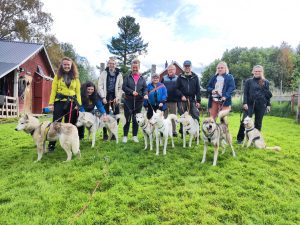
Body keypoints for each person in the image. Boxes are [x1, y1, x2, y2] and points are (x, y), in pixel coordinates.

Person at [48, 57, 82, 152]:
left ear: (71, 66)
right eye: (65, 64)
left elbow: (78, 92)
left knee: (70, 124)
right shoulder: (57, 77)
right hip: (59, 102)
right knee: (56, 123)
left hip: (71, 103)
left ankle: (68, 143)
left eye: (68, 65)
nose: (67, 66)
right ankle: (51, 144)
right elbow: (53, 90)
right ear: (62, 66)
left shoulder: (75, 78)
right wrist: (51, 103)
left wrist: (78, 105)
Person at [236, 65, 272, 144]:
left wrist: (268, 105)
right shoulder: (249, 81)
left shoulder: (266, 82)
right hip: (249, 104)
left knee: (258, 122)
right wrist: (245, 103)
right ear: (253, 71)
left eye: (259, 71)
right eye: (255, 71)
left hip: (261, 104)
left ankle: (255, 139)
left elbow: (267, 95)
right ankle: (240, 139)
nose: (257, 72)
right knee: (245, 121)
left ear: (262, 72)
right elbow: (245, 93)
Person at [122, 59, 148, 143]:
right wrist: (131, 91)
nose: (135, 69)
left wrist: (145, 94)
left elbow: (145, 88)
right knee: (127, 118)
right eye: (133, 67)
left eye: (136, 67)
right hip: (128, 101)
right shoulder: (127, 77)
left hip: (138, 101)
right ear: (131, 67)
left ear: (139, 67)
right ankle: (125, 136)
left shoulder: (142, 79)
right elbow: (124, 87)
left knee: (136, 119)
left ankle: (134, 136)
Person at [98, 58, 123, 140]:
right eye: (110, 63)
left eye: (113, 63)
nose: (111, 65)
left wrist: (118, 97)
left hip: (115, 97)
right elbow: (100, 86)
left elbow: (120, 87)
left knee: (117, 115)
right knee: (105, 115)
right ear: (108, 64)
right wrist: (103, 97)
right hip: (106, 96)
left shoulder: (119, 75)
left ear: (115, 65)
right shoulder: (103, 73)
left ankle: (112, 133)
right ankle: (105, 134)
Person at [176, 60, 201, 136]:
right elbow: (177, 88)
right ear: (183, 67)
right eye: (185, 66)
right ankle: (183, 132)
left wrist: (198, 101)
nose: (187, 68)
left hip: (192, 99)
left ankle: (197, 132)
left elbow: (198, 90)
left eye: (188, 66)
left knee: (195, 115)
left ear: (191, 67)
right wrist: (181, 95)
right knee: (183, 116)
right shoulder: (180, 77)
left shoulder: (195, 77)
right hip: (182, 100)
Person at [161, 64, 180, 136]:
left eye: (172, 69)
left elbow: (180, 88)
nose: (170, 71)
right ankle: (164, 130)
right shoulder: (164, 78)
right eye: (169, 70)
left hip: (174, 101)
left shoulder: (178, 78)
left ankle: (174, 131)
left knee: (173, 116)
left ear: (175, 70)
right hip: (165, 101)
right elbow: (161, 88)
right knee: (164, 116)